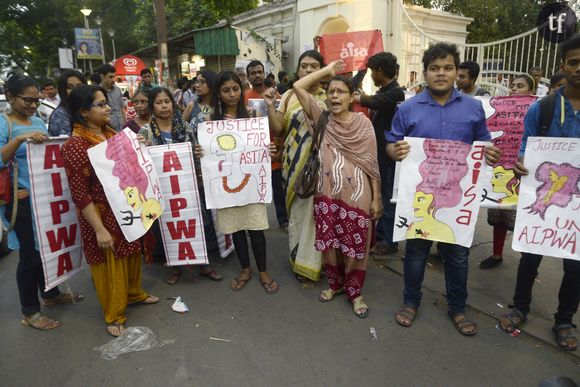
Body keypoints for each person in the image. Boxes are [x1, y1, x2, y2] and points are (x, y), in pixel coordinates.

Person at [387, 42, 500, 335]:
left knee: (458, 256)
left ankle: (458, 308)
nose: (441, 73)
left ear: (456, 72)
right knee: (415, 253)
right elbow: (391, 144)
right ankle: (411, 302)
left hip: (457, 200)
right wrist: (393, 150)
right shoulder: (408, 108)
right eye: (434, 68)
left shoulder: (474, 108)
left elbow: (485, 143)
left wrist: (490, 152)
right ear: (425, 72)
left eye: (447, 68)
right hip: (420, 200)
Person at [498, 34, 580, 352]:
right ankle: (520, 307)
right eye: (574, 62)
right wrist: (521, 164)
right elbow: (525, 148)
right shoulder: (543, 108)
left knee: (575, 265)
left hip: (576, 206)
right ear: (563, 66)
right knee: (530, 255)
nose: (579, 68)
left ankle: (564, 320)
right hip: (543, 198)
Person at [62, 85, 158, 337]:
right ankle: (113, 315)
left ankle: (134, 294)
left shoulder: (110, 132)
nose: (108, 108)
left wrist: (138, 144)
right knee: (110, 263)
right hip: (102, 216)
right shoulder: (75, 145)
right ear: (84, 112)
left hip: (124, 208)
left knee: (131, 253)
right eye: (101, 104)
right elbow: (80, 193)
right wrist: (99, 229)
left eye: (107, 103)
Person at [292, 60, 382, 318]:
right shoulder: (321, 118)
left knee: (355, 245)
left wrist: (377, 198)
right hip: (326, 194)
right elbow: (299, 85)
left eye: (340, 91)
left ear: (352, 96)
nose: (334, 96)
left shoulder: (363, 124)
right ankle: (335, 285)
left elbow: (372, 164)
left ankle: (355, 292)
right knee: (330, 243)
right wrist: (327, 71)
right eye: (330, 91)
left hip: (357, 196)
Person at [0, 73, 83, 330]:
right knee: (30, 256)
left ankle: (50, 294)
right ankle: (30, 311)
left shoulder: (37, 120)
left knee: (49, 247)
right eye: (28, 100)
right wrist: (18, 140)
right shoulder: (4, 123)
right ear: (11, 97)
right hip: (20, 199)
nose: (33, 106)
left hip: (44, 197)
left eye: (36, 100)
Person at [195, 71, 279, 294]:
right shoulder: (210, 119)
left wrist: (268, 149)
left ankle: (262, 270)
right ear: (218, 94)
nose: (232, 94)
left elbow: (263, 145)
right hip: (225, 185)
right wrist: (200, 151)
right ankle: (245, 268)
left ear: (241, 89)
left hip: (250, 183)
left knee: (256, 228)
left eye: (235, 89)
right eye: (226, 90)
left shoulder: (252, 114)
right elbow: (206, 150)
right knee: (237, 229)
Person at [139, 87, 223, 285]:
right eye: (159, 102)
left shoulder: (184, 126)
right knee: (170, 226)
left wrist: (199, 154)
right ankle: (175, 267)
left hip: (188, 186)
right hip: (163, 189)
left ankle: (203, 265)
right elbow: (140, 162)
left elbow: (195, 154)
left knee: (198, 223)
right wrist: (141, 146)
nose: (164, 106)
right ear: (152, 106)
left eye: (167, 101)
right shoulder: (146, 131)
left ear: (172, 103)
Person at [264, 50, 327, 282]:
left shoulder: (330, 96)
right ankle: (297, 259)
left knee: (315, 216)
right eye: (304, 66)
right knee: (297, 215)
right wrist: (271, 106)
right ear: (297, 70)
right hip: (291, 164)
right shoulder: (289, 95)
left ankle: (310, 264)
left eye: (313, 67)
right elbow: (279, 129)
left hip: (319, 166)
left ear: (322, 71)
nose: (308, 71)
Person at [480, 73, 535, 269]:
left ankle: (528, 260)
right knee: (500, 213)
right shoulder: (501, 109)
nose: (513, 89)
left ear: (531, 92)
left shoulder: (536, 110)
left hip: (525, 170)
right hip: (501, 169)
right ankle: (496, 254)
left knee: (527, 216)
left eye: (520, 86)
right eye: (512, 86)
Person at [353, 52, 405, 256]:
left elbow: (373, 102)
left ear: (380, 71)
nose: (372, 76)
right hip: (379, 155)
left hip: (389, 156)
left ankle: (390, 241)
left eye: (373, 71)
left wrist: (355, 96)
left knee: (387, 196)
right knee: (380, 194)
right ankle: (381, 235)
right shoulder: (386, 90)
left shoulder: (396, 93)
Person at [48, 70, 85, 136]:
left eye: (79, 86)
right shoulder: (60, 114)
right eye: (69, 87)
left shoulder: (89, 109)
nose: (75, 90)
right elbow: (68, 143)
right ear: (62, 91)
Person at [95, 64, 125, 131]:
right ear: (102, 76)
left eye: (114, 76)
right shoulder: (97, 93)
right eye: (110, 77)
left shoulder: (117, 90)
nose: (113, 79)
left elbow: (122, 109)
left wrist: (125, 125)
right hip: (107, 130)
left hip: (121, 128)